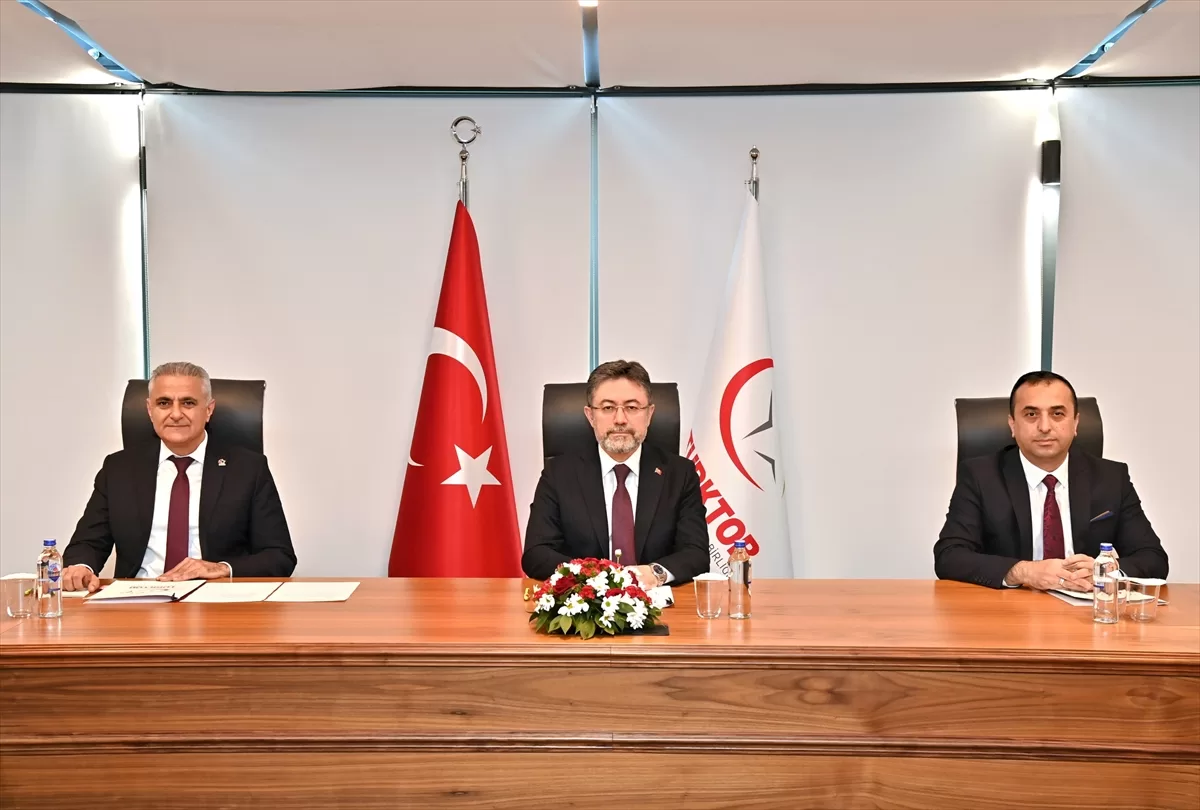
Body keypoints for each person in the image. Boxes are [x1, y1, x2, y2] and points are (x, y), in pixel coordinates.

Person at [61, 362, 296, 592]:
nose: (175, 414)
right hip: (138, 597)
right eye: (164, 403)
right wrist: (81, 567)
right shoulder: (118, 468)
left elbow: (279, 556)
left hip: (216, 598)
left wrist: (221, 568)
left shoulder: (248, 469)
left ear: (209, 410)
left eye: (188, 403)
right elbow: (87, 543)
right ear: (149, 410)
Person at [935, 370, 1168, 590]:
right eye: (1031, 414)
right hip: (1011, 608)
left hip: (1087, 608)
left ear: (1075, 423)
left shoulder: (1111, 478)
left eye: (1057, 414)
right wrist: (1023, 572)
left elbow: (1154, 558)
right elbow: (949, 556)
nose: (1044, 427)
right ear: (1012, 425)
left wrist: (1108, 571)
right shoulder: (980, 476)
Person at [523, 360, 708, 587]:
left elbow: (696, 553)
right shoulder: (559, 474)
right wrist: (597, 579)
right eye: (608, 408)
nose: (620, 420)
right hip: (586, 601)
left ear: (649, 414)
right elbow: (536, 554)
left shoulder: (680, 474)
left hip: (657, 600)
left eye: (632, 407)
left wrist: (655, 573)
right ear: (590, 416)